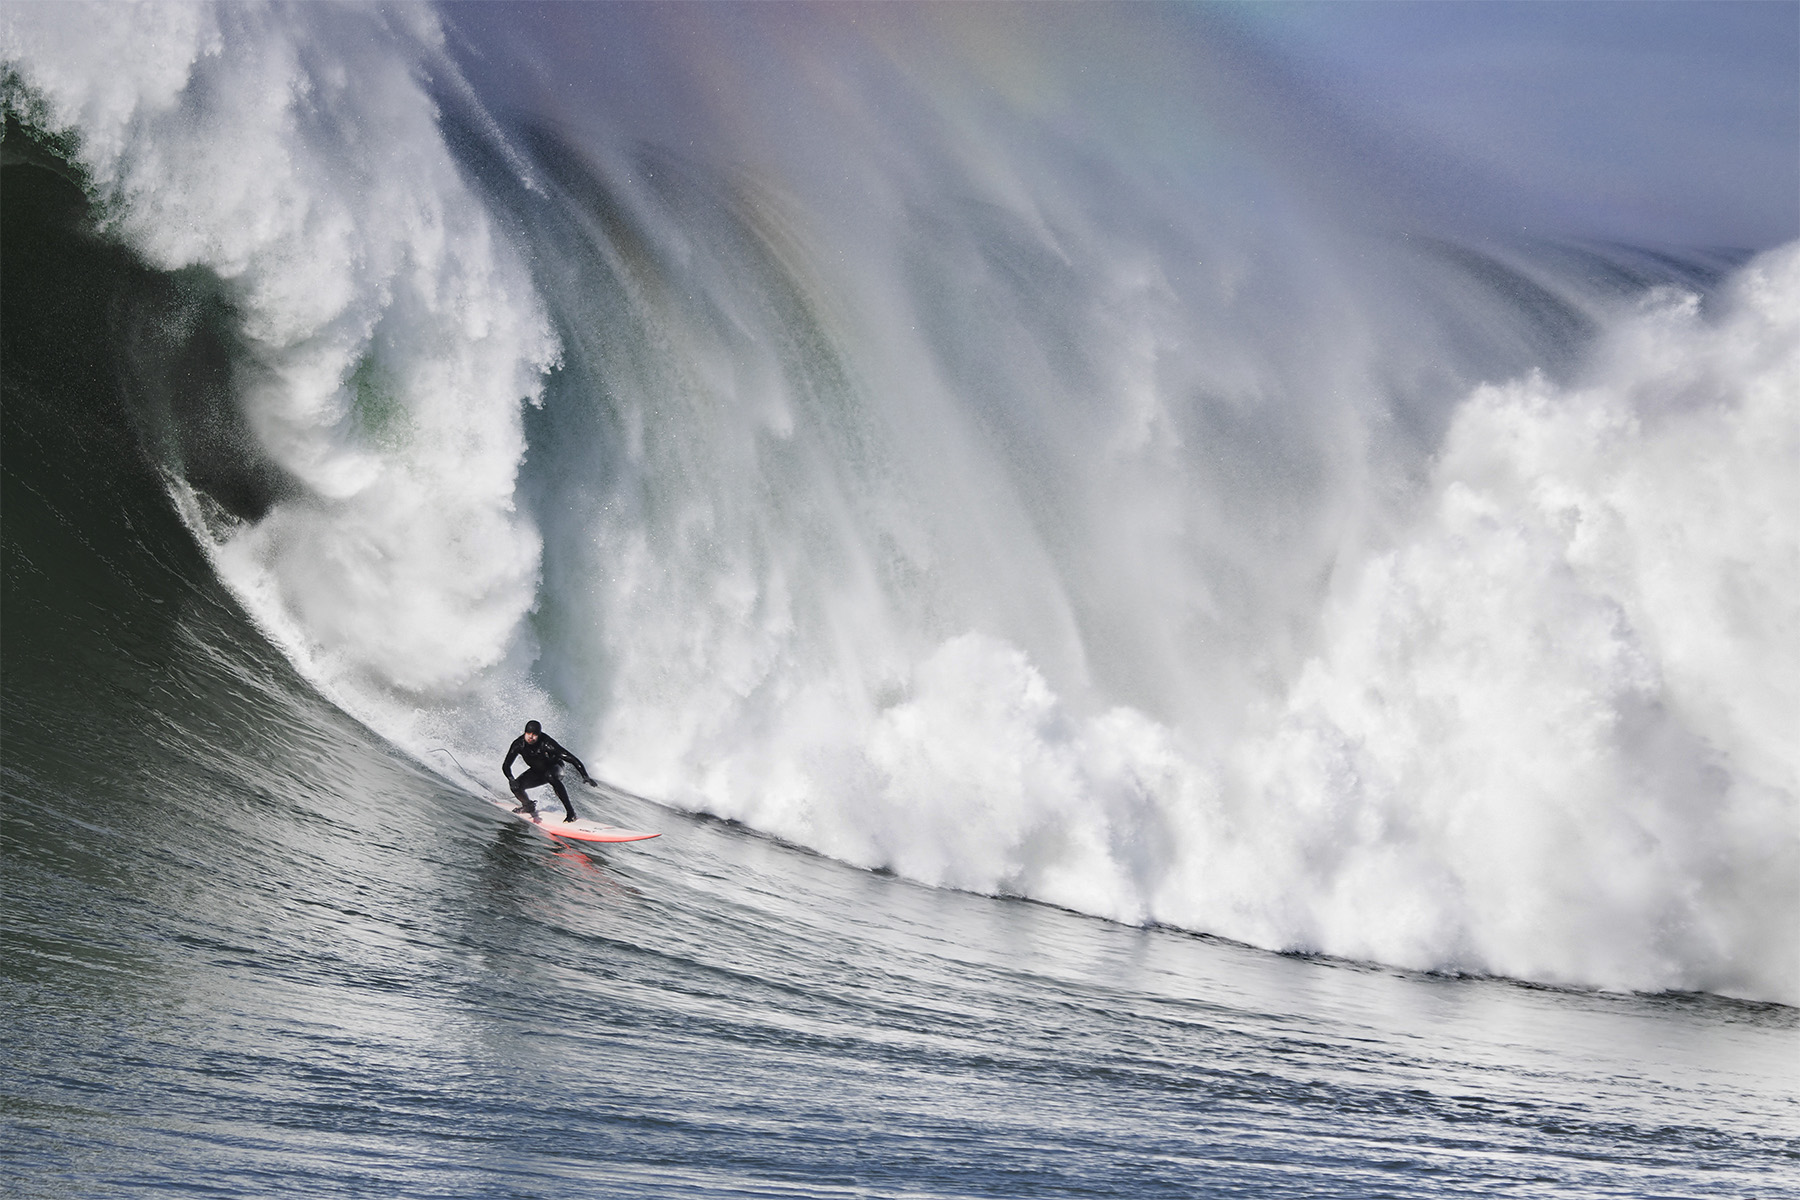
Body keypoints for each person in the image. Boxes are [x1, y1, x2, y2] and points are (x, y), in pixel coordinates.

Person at [502, 719, 594, 822]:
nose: (531, 737)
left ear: (539, 735)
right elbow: (506, 765)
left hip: (556, 768)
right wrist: (511, 779)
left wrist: (585, 775)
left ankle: (571, 813)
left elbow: (570, 758)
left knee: (550, 776)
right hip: (537, 771)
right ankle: (528, 806)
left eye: (534, 734)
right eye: (528, 733)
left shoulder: (547, 744)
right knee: (516, 786)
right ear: (525, 732)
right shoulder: (518, 744)